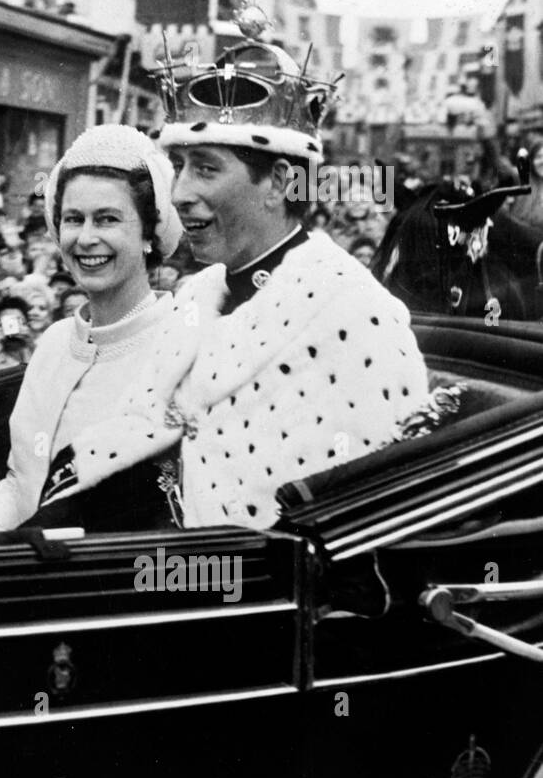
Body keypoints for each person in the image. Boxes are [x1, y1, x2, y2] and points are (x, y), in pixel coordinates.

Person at [40, 40, 429, 530]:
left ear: (280, 182)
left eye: (205, 168)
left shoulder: (358, 314)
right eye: (179, 166)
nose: (179, 194)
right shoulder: (197, 297)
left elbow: (363, 521)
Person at [0, 126, 184, 543]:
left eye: (108, 219)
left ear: (149, 233)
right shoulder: (55, 342)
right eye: (73, 219)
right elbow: (20, 483)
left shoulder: (183, 345)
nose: (86, 238)